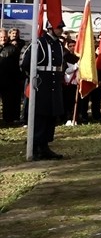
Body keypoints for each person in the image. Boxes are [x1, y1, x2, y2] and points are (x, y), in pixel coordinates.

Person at [19, 20, 78, 159]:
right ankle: (35, 146)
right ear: (50, 28)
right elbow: (26, 64)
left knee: (51, 115)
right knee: (40, 115)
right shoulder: (39, 43)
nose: (61, 30)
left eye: (62, 27)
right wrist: (35, 78)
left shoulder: (58, 44)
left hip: (54, 84)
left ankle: (45, 146)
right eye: (59, 27)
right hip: (42, 83)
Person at [0, 29, 22, 124]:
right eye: (1, 37)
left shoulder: (13, 49)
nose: (3, 39)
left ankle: (8, 119)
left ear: (7, 37)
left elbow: (18, 66)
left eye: (4, 37)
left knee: (8, 102)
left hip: (8, 80)